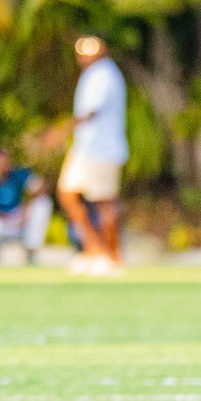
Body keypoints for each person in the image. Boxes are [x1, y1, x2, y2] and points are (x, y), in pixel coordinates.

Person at [57, 35, 127, 275]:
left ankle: (113, 257)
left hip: (102, 148)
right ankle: (93, 250)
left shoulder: (105, 74)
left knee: (104, 202)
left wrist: (61, 132)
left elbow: (89, 112)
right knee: (67, 193)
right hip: (85, 148)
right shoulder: (91, 75)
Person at [0, 148, 51, 265]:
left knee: (43, 203)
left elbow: (41, 188)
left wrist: (26, 208)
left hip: (20, 220)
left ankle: (31, 253)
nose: (2, 166)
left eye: (5, 162)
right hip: (0, 221)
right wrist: (7, 218)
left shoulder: (19, 176)